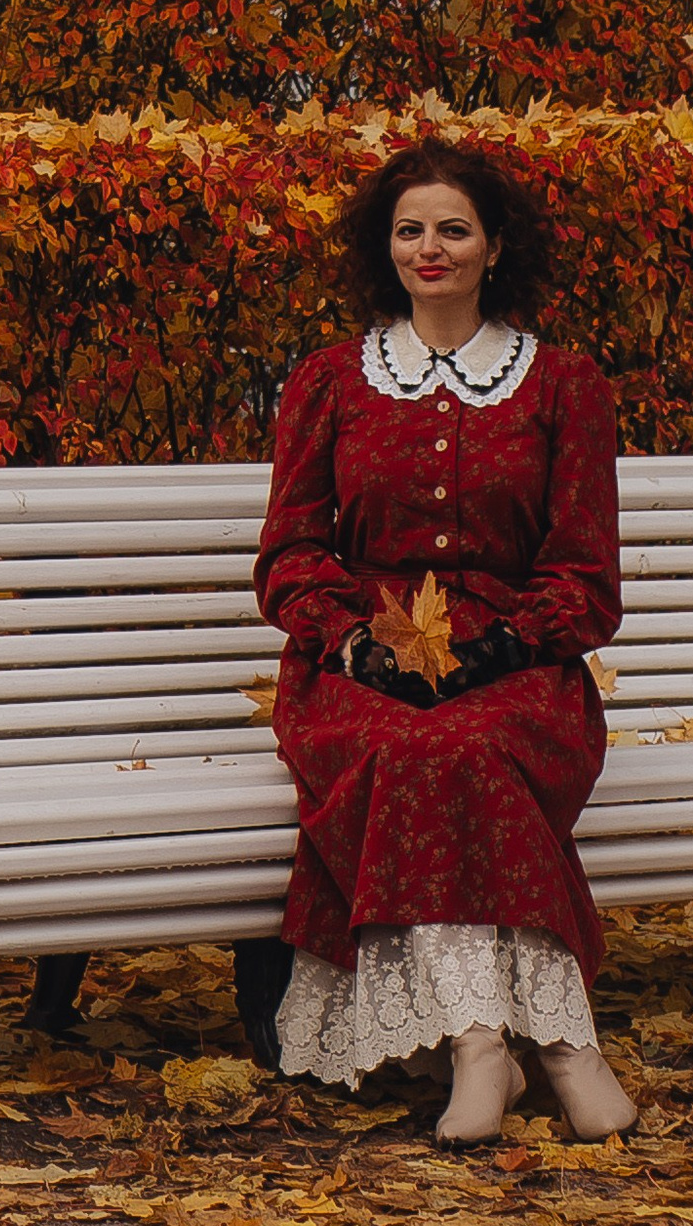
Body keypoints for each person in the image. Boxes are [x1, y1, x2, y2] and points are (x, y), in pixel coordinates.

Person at [252, 140, 640, 1146]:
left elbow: (586, 573)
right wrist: (350, 642)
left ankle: (546, 1047)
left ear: (494, 247)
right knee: (414, 745)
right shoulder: (330, 381)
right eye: (410, 230)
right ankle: (502, 1045)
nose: (430, 248)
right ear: (385, 249)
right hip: (353, 666)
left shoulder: (563, 385)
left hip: (522, 665)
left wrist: (507, 645)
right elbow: (290, 554)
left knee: (469, 743)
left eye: (453, 229)